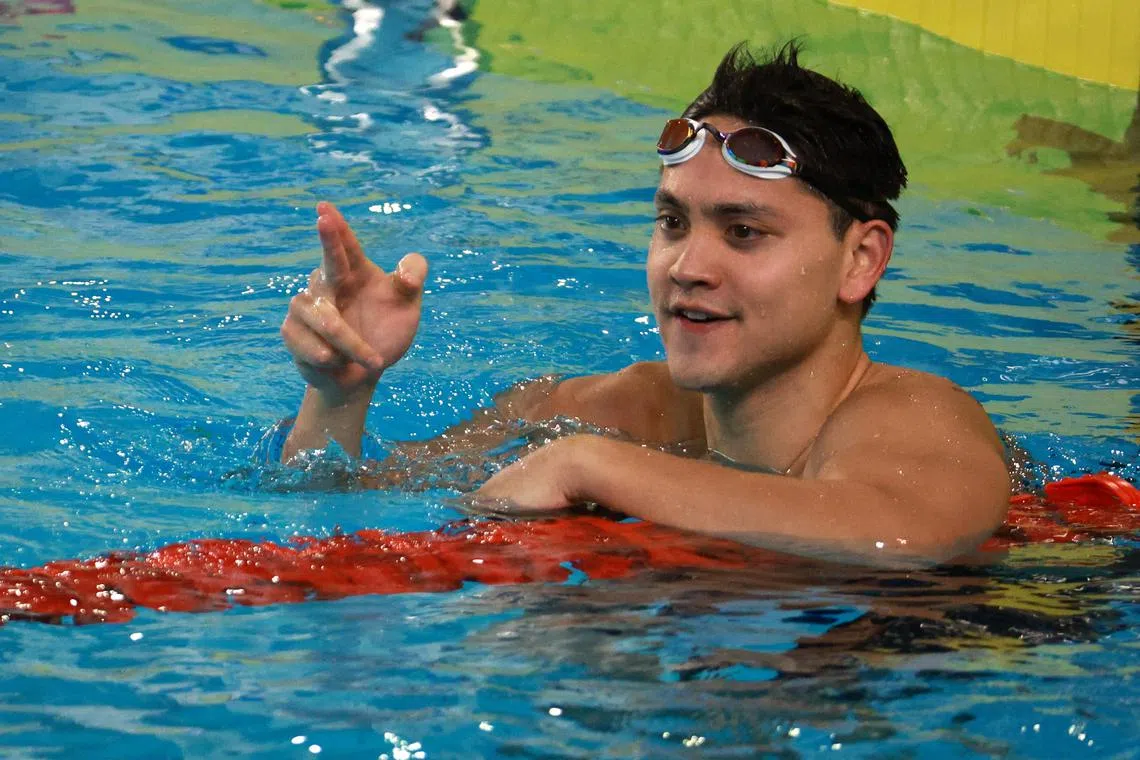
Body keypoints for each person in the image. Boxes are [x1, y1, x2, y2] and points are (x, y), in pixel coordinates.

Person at [277, 42, 1010, 567]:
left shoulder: (916, 417)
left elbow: (902, 534)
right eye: (672, 223)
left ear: (861, 260)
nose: (688, 267)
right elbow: (344, 501)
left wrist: (591, 467)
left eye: (745, 232)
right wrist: (341, 393)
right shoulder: (619, 411)